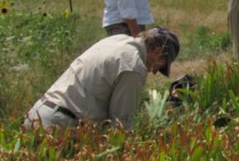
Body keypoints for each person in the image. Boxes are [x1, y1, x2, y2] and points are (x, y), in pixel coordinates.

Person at [24, 26, 179, 130]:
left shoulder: (117, 40)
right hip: (59, 126)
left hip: (37, 115)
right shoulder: (133, 66)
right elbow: (121, 124)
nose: (155, 71)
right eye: (161, 64)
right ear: (157, 51)